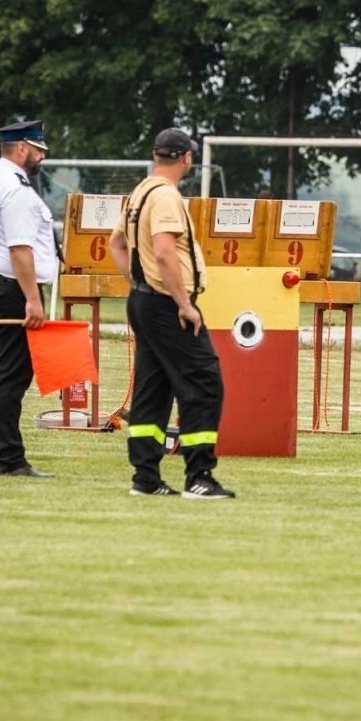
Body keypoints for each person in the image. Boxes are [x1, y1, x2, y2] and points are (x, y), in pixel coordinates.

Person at [107, 127, 233, 499]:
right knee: (204, 383)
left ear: (155, 155)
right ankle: (199, 475)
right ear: (186, 158)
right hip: (167, 304)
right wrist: (184, 304)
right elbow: (164, 251)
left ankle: (145, 477)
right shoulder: (165, 196)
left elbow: (116, 243)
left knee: (153, 388)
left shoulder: (140, 193)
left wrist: (137, 281)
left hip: (144, 299)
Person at [0, 119, 59, 477]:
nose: (41, 159)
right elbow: (20, 250)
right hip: (9, 286)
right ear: (22, 148)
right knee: (12, 374)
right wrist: (32, 299)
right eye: (38, 151)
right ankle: (9, 458)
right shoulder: (17, 188)